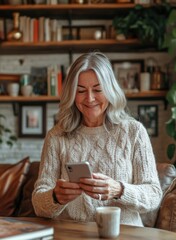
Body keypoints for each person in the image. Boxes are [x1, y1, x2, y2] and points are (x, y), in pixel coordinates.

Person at [32, 51, 162, 227]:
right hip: (73, 235)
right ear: (72, 93)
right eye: (81, 91)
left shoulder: (134, 132)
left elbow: (154, 195)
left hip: (124, 234)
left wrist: (119, 189)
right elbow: (39, 205)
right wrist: (55, 197)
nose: (90, 98)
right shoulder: (57, 136)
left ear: (110, 90)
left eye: (98, 89)